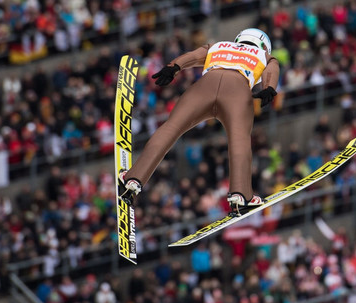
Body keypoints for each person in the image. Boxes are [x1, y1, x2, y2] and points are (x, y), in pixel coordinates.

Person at [119, 28, 280, 215]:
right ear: (264, 45)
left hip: (204, 86)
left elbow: (194, 56)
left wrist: (174, 66)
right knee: (240, 141)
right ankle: (240, 195)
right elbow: (272, 69)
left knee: (171, 128)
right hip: (237, 90)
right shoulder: (265, 55)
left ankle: (133, 178)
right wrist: (269, 87)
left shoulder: (218, 45)